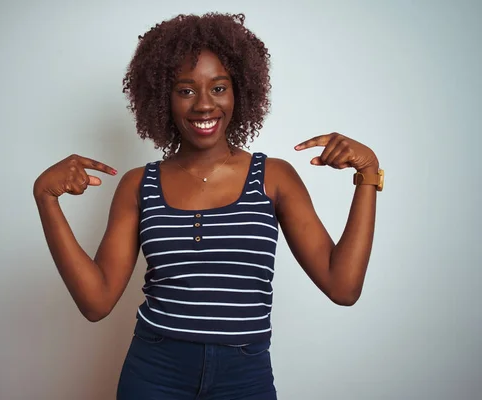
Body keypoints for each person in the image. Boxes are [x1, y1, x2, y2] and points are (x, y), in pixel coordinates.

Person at [33, 12, 382, 400]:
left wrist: (368, 176)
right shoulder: (139, 185)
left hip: (244, 378)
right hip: (154, 373)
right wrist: (46, 200)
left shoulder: (273, 178)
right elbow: (96, 302)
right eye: (185, 90)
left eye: (218, 88)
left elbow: (343, 286)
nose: (203, 105)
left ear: (240, 92)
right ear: (162, 96)